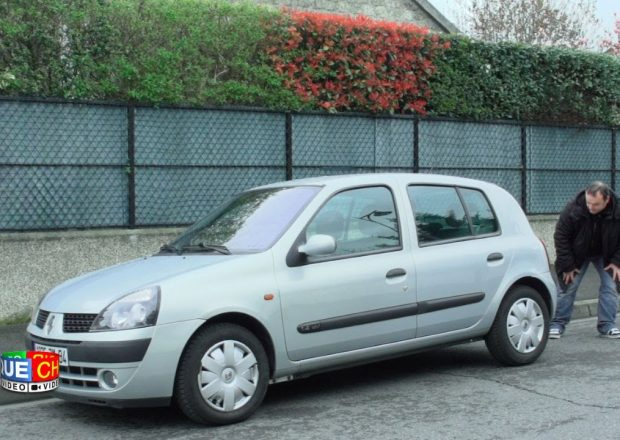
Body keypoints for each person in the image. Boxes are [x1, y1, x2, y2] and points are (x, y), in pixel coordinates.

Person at [549, 181, 620, 339]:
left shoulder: (618, 210)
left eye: (596, 204)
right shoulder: (573, 209)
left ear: (606, 200)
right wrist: (567, 265)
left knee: (610, 285)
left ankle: (607, 325)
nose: (591, 208)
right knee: (568, 285)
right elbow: (561, 236)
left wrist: (617, 262)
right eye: (589, 203)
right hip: (577, 253)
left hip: (606, 253)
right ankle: (557, 323)